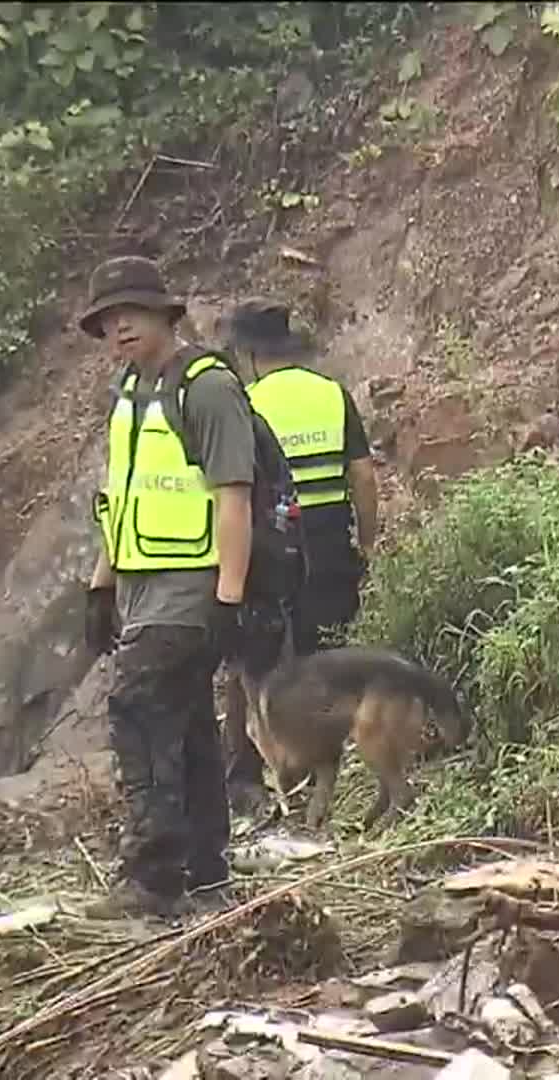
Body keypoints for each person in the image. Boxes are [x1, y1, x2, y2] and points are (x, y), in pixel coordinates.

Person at [80, 255, 252, 919]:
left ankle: (153, 877)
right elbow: (119, 498)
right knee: (185, 722)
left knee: (138, 705)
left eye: (132, 313)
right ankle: (206, 870)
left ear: (164, 314)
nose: (120, 326)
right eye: (108, 318)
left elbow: (234, 497)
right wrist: (101, 585)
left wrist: (230, 598)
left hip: (195, 586)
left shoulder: (205, 389)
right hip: (143, 586)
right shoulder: (130, 392)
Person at [214, 297, 380, 813]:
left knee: (254, 661)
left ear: (247, 353)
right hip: (330, 541)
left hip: (268, 543)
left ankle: (252, 772)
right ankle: (333, 762)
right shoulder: (331, 393)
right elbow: (363, 476)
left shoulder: (244, 403)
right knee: (326, 654)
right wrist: (368, 540)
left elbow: (229, 489)